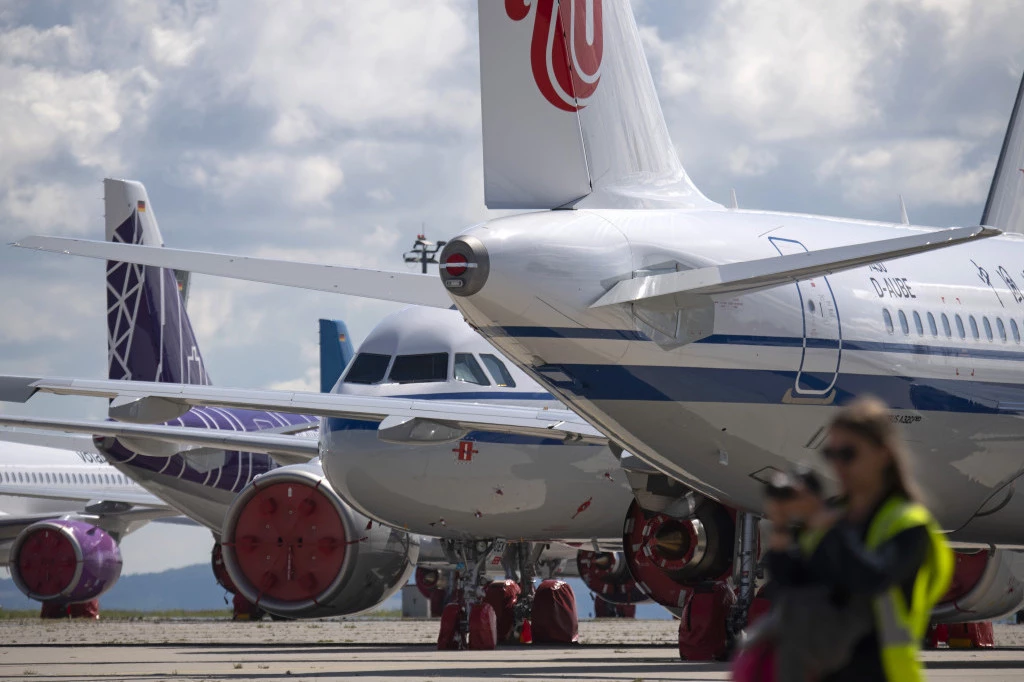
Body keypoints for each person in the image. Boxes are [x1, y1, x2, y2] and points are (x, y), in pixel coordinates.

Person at [763, 397, 953, 682]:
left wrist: (828, 529)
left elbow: (872, 579)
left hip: (883, 673)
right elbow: (789, 589)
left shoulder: (909, 522)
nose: (838, 465)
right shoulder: (832, 516)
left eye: (848, 454)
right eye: (831, 455)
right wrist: (780, 528)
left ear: (883, 454)